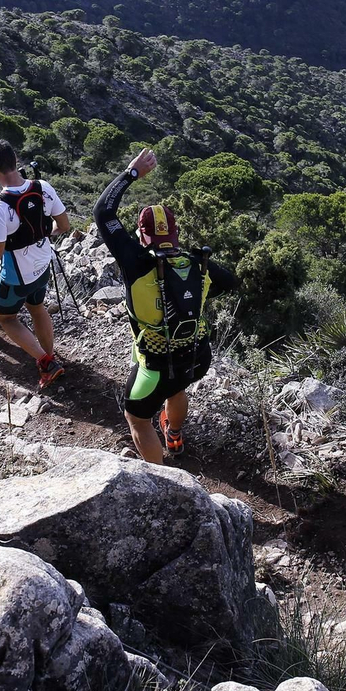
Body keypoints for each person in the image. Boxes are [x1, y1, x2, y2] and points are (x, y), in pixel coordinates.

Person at [93, 148, 238, 463]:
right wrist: (194, 295)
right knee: (176, 388)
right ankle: (174, 435)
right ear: (175, 232)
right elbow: (231, 282)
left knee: (137, 418)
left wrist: (132, 173)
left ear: (141, 236)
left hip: (158, 365)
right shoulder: (198, 263)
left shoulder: (135, 261)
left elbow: (103, 212)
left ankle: (162, 480)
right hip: (198, 356)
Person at [0, 140, 73, 389]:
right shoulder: (43, 187)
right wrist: (43, 233)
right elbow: (64, 225)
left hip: (17, 277)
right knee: (37, 308)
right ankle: (49, 354)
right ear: (15, 160)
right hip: (43, 265)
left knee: (6, 317)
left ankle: (47, 363)